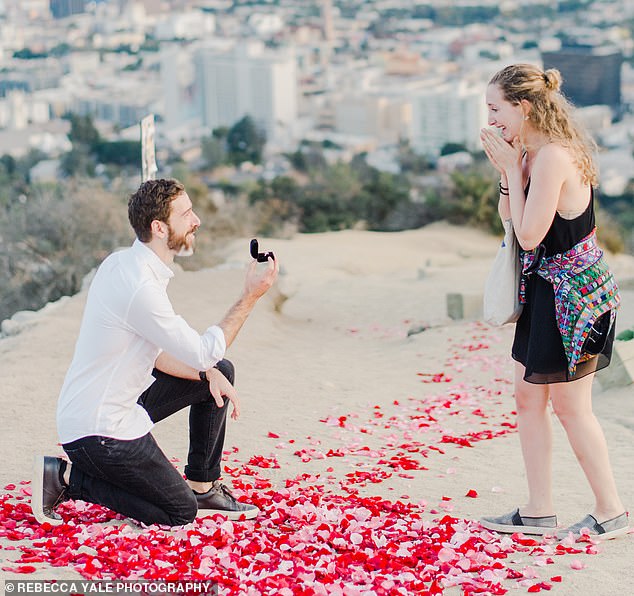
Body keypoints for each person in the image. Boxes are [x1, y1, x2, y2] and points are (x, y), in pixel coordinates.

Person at [31, 178, 278, 527]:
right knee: (178, 511)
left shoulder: (125, 263)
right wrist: (250, 296)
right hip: (99, 431)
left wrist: (209, 373)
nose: (197, 221)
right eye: (187, 214)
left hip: (112, 405)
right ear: (159, 228)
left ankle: (202, 486)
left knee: (219, 371)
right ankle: (68, 479)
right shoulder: (141, 287)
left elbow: (164, 355)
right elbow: (202, 352)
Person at [478, 64, 628, 539]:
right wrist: (509, 172)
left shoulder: (553, 158)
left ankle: (612, 511)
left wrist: (511, 168)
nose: (491, 118)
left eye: (496, 108)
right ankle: (538, 509)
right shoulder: (531, 152)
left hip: (575, 299)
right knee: (527, 397)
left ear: (522, 107)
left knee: (570, 408)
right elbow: (507, 213)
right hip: (548, 291)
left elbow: (526, 234)